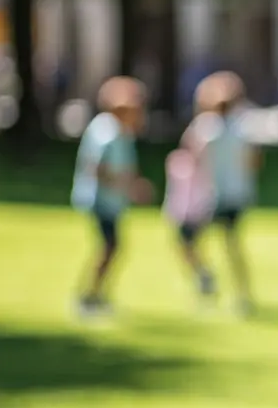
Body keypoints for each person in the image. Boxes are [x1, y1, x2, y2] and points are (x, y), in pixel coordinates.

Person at [166, 72, 261, 315]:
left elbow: (190, 160)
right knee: (232, 245)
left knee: (186, 239)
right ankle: (243, 295)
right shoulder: (242, 129)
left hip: (209, 197)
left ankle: (204, 276)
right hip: (236, 195)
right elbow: (254, 162)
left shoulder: (204, 128)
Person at [71, 76, 154, 317]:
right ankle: (89, 296)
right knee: (110, 247)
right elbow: (98, 168)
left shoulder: (120, 131)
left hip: (111, 200)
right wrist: (129, 187)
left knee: (111, 247)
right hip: (101, 200)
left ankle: (95, 295)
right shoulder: (107, 131)